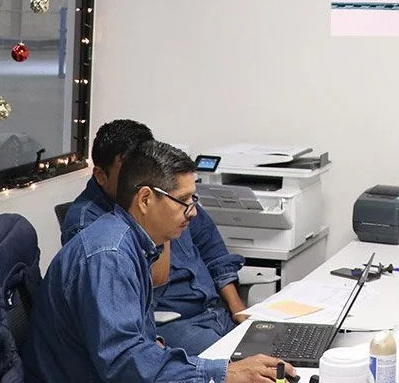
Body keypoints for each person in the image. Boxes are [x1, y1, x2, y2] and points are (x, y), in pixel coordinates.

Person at [22, 139, 286, 383]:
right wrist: (222, 374)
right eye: (183, 201)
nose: (193, 212)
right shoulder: (109, 256)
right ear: (145, 199)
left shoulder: (133, 242)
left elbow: (133, 346)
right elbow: (124, 362)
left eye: (193, 199)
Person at [65, 119, 252, 352]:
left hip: (214, 312)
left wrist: (240, 313)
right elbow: (124, 344)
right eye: (129, 170)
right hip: (171, 325)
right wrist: (159, 225)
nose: (191, 210)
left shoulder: (173, 199)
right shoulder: (97, 235)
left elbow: (213, 251)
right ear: (102, 176)